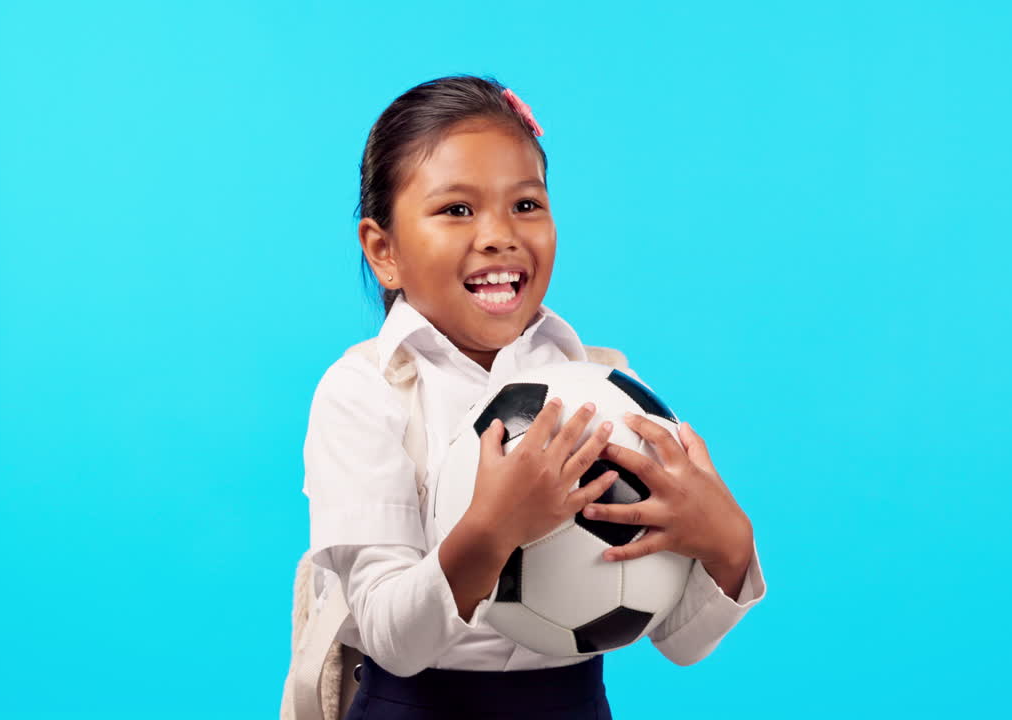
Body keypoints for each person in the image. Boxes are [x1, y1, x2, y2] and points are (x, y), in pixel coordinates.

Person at [303, 74, 766, 720]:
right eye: (457, 210)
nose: (499, 235)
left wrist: (726, 543)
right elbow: (390, 638)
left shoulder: (608, 392)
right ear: (384, 252)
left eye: (525, 205)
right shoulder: (364, 394)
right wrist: (492, 530)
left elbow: (680, 641)